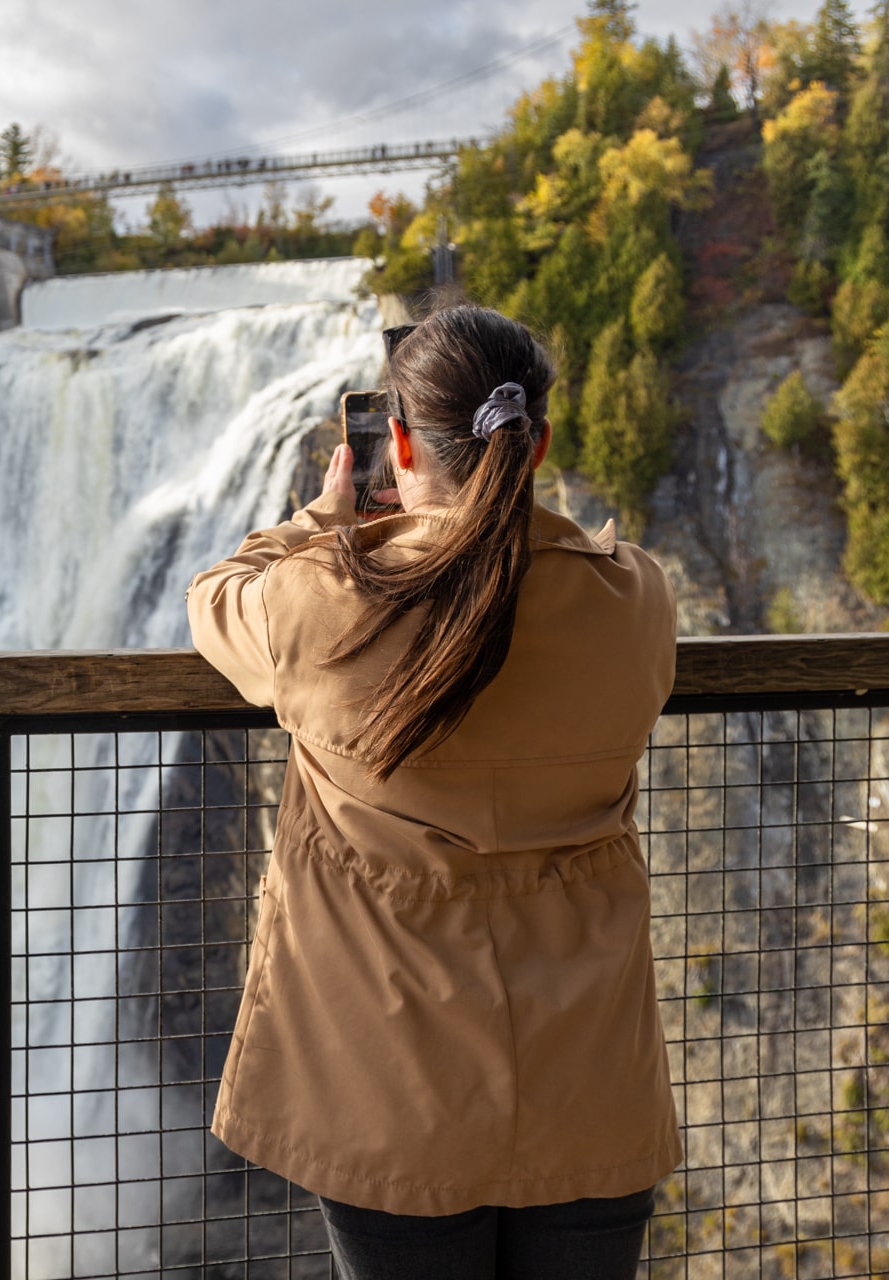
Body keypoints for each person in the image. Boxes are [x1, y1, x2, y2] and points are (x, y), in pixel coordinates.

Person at [185, 304, 682, 1279]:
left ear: (397, 439)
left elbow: (216, 595)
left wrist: (328, 516)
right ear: (536, 443)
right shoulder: (636, 599)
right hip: (589, 1082)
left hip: (391, 1096)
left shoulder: (330, 601)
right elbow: (545, 571)